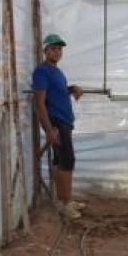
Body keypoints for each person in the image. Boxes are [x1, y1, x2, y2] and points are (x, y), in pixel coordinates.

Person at [32, 33, 84, 219]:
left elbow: (59, 92)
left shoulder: (58, 72)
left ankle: (63, 200)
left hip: (65, 121)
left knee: (58, 161)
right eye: (53, 48)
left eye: (59, 49)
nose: (57, 51)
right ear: (45, 50)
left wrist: (73, 88)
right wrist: (49, 129)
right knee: (67, 161)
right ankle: (65, 203)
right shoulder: (42, 71)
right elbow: (39, 103)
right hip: (57, 123)